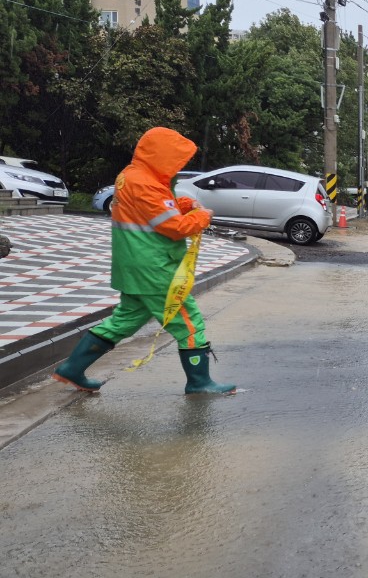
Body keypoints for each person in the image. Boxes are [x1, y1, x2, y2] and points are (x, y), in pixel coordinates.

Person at [52, 126, 236, 396]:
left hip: (134, 266)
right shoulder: (147, 183)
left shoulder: (132, 176)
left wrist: (184, 204)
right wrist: (203, 216)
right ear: (162, 156)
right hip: (154, 268)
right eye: (176, 160)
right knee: (188, 322)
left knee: (123, 322)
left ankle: (71, 369)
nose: (178, 167)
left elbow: (156, 209)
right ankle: (200, 382)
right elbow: (174, 226)